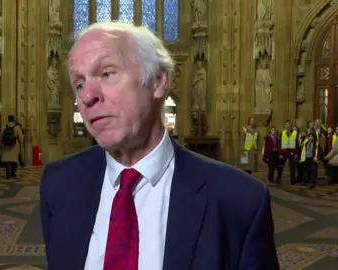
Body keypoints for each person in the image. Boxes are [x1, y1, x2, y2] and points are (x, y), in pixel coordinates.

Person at [40, 22, 278, 269]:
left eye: (106, 74)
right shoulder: (59, 184)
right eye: (79, 84)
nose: (87, 96)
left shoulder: (239, 200)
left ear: (157, 81)